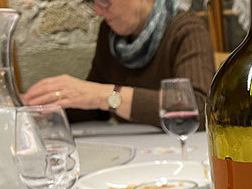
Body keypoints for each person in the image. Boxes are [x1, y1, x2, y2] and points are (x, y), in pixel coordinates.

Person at [23, 0, 215, 127]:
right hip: (135, 149)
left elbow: (200, 108)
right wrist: (48, 107)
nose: (98, 11)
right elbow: (96, 108)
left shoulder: (187, 29)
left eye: (104, 0)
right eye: (92, 2)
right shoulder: (109, 34)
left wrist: (103, 95)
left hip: (180, 155)